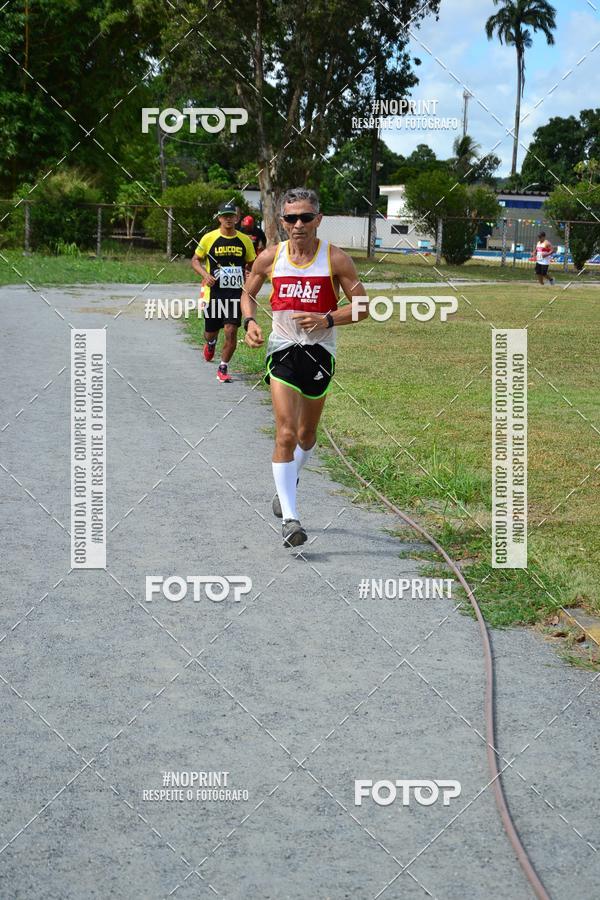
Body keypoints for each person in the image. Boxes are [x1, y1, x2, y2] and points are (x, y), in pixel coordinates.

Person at [240, 187, 368, 547]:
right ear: (282, 221)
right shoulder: (270, 257)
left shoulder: (336, 260)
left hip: (319, 354)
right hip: (282, 350)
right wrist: (249, 321)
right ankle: (291, 519)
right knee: (284, 433)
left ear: (318, 220)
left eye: (305, 217)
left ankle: (289, 482)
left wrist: (327, 319)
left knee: (306, 435)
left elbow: (363, 307)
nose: (298, 224)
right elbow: (248, 294)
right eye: (291, 218)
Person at [192, 201, 256, 382]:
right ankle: (211, 343)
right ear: (219, 218)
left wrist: (249, 273)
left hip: (235, 294)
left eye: (231, 216)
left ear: (237, 218)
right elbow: (195, 260)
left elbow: (252, 262)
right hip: (214, 293)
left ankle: (223, 367)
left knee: (231, 329)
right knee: (210, 331)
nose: (228, 219)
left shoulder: (245, 240)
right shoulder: (209, 238)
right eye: (225, 216)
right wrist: (205, 275)